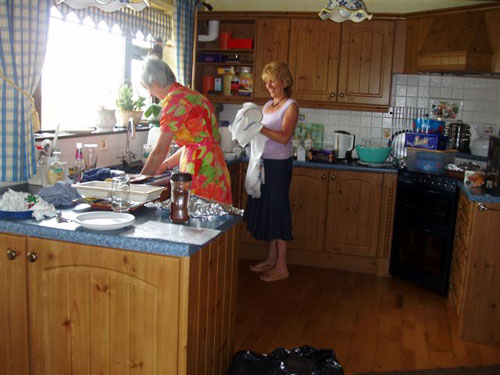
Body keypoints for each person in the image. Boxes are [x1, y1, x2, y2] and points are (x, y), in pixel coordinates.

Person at [139, 55, 232, 205]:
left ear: (155, 82)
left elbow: (160, 150)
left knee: (197, 224)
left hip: (200, 170)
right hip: (216, 168)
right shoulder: (194, 96)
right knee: (214, 223)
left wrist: (140, 180)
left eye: (147, 88)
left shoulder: (174, 102)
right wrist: (164, 166)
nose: (150, 94)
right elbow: (194, 144)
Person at [243, 61, 299, 282]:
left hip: (279, 166)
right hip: (262, 164)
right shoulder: (267, 105)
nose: (268, 85)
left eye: (272, 80)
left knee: (278, 212)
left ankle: (282, 267)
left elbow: (285, 137)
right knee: (267, 210)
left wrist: (260, 128)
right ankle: (271, 258)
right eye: (265, 82)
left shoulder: (291, 106)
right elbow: (261, 134)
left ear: (284, 81)